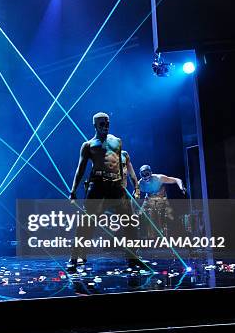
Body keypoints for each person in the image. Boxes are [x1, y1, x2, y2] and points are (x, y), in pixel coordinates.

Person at [69, 112, 138, 269]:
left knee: (129, 221)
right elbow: (80, 169)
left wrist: (123, 185)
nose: (105, 126)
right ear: (95, 125)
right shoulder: (88, 145)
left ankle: (132, 256)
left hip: (116, 185)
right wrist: (73, 190)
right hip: (98, 185)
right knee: (86, 223)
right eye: (102, 124)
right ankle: (75, 256)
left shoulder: (117, 141)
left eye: (107, 123)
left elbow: (120, 166)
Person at [138, 164, 185, 237]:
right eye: (143, 174)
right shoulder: (140, 184)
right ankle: (141, 239)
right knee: (139, 216)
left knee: (172, 217)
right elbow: (135, 195)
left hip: (162, 199)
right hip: (149, 200)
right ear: (140, 175)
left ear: (151, 173)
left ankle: (182, 235)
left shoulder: (159, 178)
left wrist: (181, 187)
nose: (146, 176)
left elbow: (177, 180)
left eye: (147, 173)